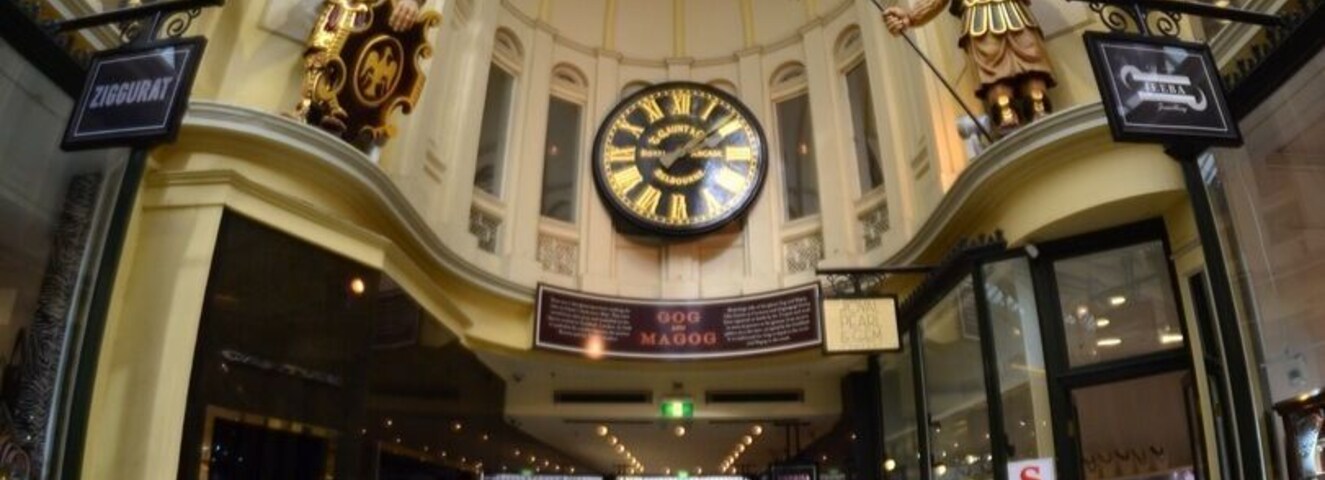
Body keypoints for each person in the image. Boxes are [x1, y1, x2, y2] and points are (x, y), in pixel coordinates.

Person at [883, 0, 1056, 135]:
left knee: (1030, 57)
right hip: (978, 19)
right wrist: (910, 17)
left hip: (1015, 12)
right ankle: (1005, 112)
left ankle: (1037, 103)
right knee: (993, 68)